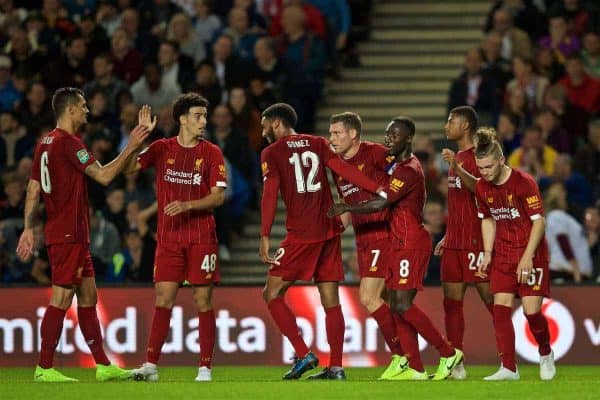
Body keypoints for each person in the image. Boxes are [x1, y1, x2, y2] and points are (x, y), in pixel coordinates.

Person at [15, 87, 149, 382]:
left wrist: (27, 227)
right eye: (84, 106)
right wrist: (132, 144)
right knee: (62, 297)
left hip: (68, 232)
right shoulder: (68, 143)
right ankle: (44, 367)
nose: (88, 111)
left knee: (88, 296)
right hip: (68, 233)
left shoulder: (44, 143)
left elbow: (34, 188)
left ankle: (102, 365)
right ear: (71, 110)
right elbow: (103, 176)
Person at [329, 117, 463, 381]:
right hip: (390, 239)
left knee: (384, 300)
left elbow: (382, 202)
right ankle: (414, 366)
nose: (388, 139)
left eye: (337, 132)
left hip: (401, 239)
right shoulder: (345, 166)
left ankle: (441, 352)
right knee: (395, 303)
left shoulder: (399, 165)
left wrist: (348, 208)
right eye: (387, 134)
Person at [259, 103, 386, 380]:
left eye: (264, 124)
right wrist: (376, 188)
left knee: (271, 293)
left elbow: (270, 194)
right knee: (331, 301)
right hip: (329, 230)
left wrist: (265, 235)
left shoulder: (271, 152)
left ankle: (303, 353)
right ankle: (337, 367)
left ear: (277, 123)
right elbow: (343, 168)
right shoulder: (318, 143)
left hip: (303, 234)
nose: (262, 130)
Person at [130, 93, 226, 382]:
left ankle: (205, 368)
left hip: (202, 237)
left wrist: (187, 205)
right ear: (182, 119)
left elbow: (218, 197)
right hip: (169, 239)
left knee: (203, 299)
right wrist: (139, 139)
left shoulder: (212, 153)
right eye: (198, 115)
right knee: (164, 299)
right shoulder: (161, 149)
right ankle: (150, 366)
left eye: (205, 116)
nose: (203, 121)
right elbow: (127, 168)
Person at [327, 112, 409, 380]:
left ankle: (401, 357)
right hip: (364, 238)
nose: (332, 138)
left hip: (383, 233)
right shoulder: (337, 165)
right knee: (386, 302)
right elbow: (346, 207)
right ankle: (416, 355)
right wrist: (335, 230)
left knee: (368, 297)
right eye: (330, 133)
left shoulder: (375, 153)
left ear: (353, 134)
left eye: (337, 133)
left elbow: (404, 177)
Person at [473, 128, 556, 381]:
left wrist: (528, 256)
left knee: (532, 312)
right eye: (480, 168)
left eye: (488, 167)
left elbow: (539, 222)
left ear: (501, 160)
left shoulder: (524, 182)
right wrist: (487, 253)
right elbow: (487, 220)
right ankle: (509, 368)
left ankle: (545, 352)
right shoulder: (481, 187)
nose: (484, 172)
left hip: (531, 252)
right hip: (503, 254)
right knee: (500, 309)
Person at [435, 106, 494, 379]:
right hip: (455, 242)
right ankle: (455, 359)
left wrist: (456, 167)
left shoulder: (479, 157)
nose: (447, 125)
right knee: (451, 303)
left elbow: (483, 191)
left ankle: (511, 357)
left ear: (466, 125)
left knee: (494, 301)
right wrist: (447, 235)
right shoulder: (456, 157)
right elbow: (458, 204)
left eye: (452, 120)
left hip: (477, 242)